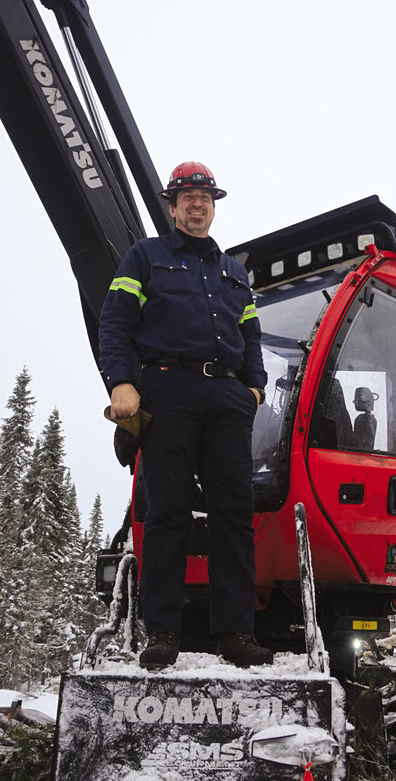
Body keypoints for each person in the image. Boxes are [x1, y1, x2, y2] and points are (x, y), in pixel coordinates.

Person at [98, 161, 271, 670]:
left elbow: (253, 336)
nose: (198, 204)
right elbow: (116, 321)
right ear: (172, 207)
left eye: (206, 197)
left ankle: (235, 633)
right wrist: (122, 382)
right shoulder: (144, 258)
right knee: (167, 513)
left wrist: (254, 389)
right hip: (167, 389)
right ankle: (163, 633)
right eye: (187, 197)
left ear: (213, 207)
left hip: (226, 396)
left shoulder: (233, 272)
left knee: (235, 516)